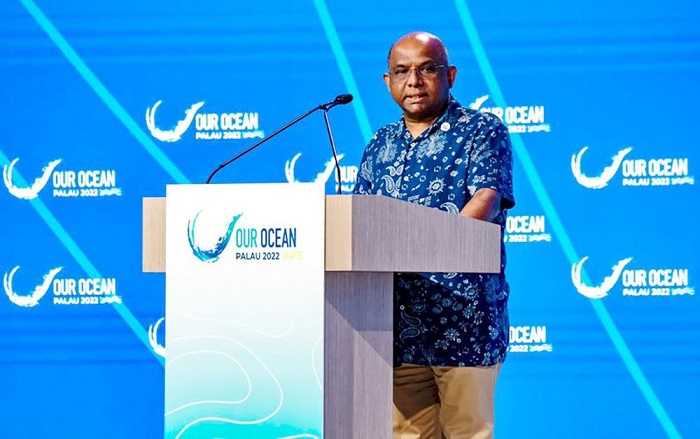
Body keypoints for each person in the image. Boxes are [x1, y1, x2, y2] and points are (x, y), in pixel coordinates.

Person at [353, 31, 515, 439]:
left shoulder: (481, 130)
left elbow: (487, 198)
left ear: (450, 75)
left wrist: (428, 246)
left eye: (426, 69)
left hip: (464, 321)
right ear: (387, 82)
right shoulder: (380, 143)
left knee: (467, 433)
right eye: (402, 71)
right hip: (398, 327)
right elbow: (360, 219)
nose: (414, 81)